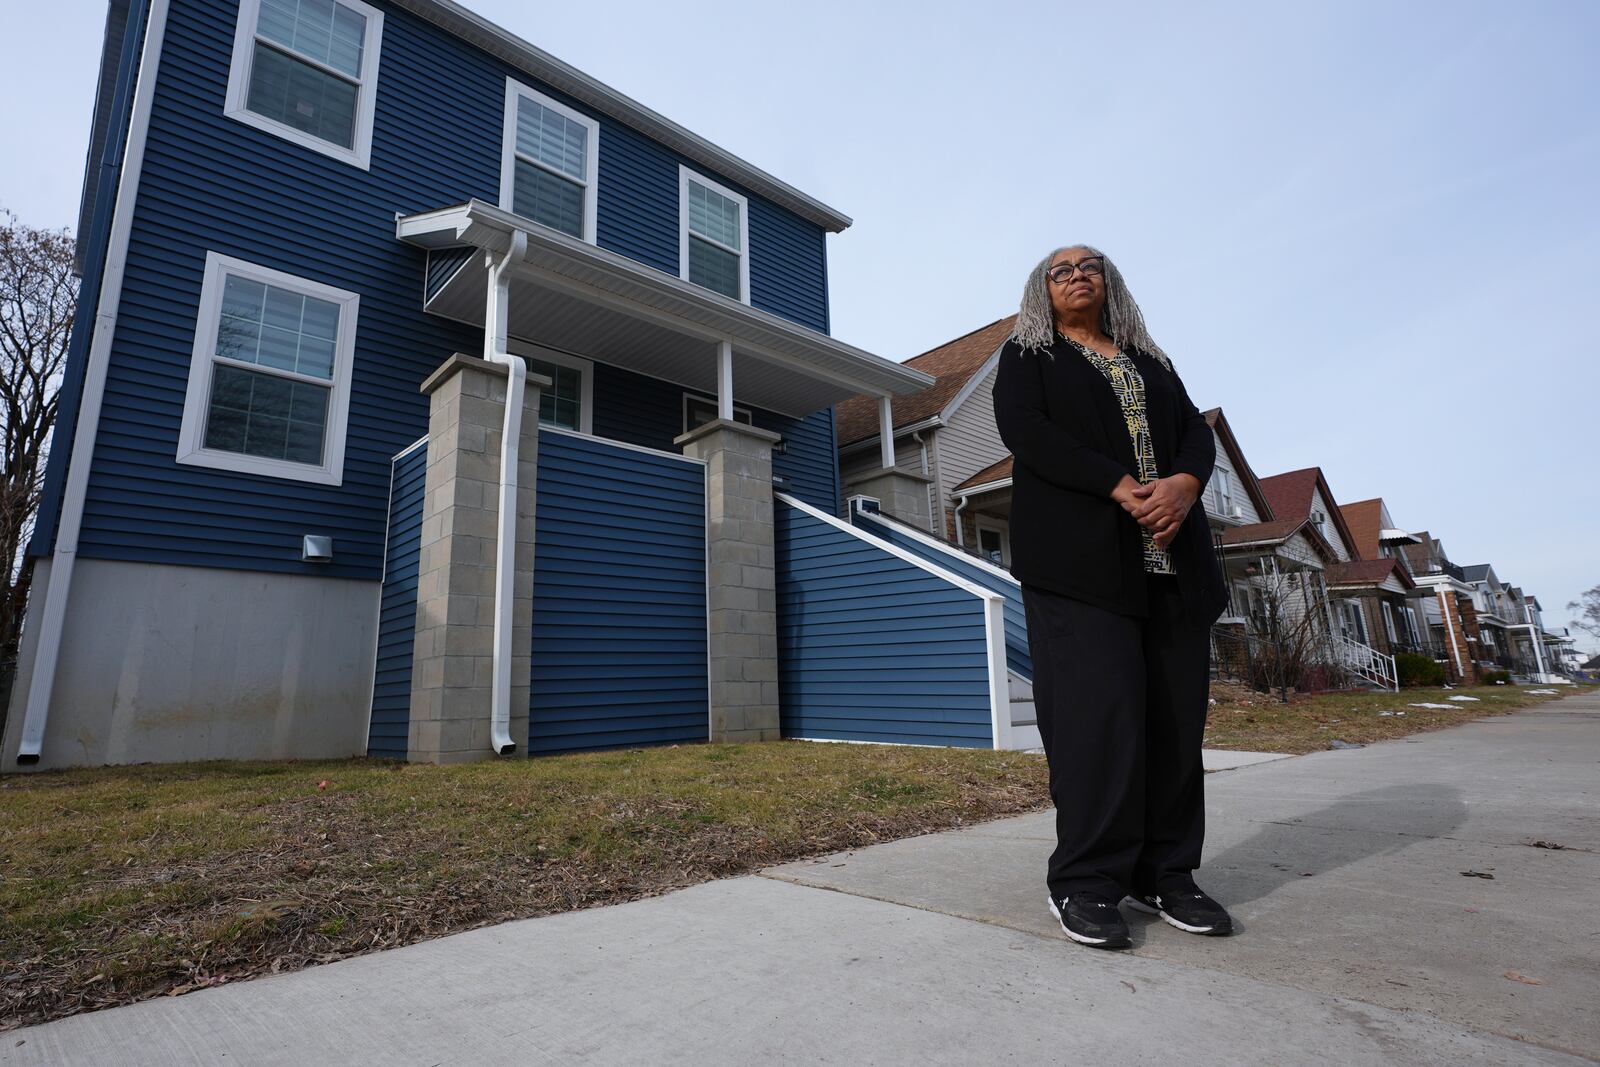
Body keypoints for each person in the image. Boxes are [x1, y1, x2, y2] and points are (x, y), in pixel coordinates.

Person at [993, 245, 1233, 949]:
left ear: (1110, 283)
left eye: (1089, 266)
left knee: (1172, 725)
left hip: (1170, 568)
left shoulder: (1148, 359)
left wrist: (1185, 484)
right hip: (1081, 567)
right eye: (1060, 270)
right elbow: (1027, 433)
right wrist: (1117, 483)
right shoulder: (1027, 355)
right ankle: (1086, 880)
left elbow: (1194, 430)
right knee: (1098, 724)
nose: (1076, 276)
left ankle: (1167, 872)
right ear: (1042, 289)